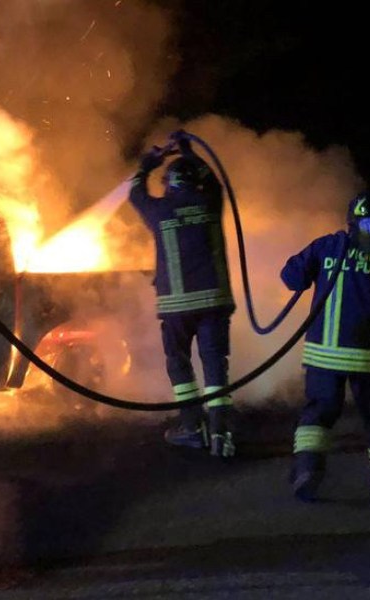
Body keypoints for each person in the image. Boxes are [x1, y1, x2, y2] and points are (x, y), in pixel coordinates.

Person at [282, 188, 370, 514]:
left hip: (323, 354)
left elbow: (290, 277)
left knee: (318, 413)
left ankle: (307, 468)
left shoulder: (329, 244)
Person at [129, 130, 236, 457]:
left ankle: (192, 426)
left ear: (168, 184)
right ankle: (221, 434)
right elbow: (216, 183)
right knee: (215, 365)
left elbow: (135, 193)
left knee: (179, 363)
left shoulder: (159, 211)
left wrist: (148, 163)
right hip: (214, 303)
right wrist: (190, 153)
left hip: (176, 307)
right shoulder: (209, 202)